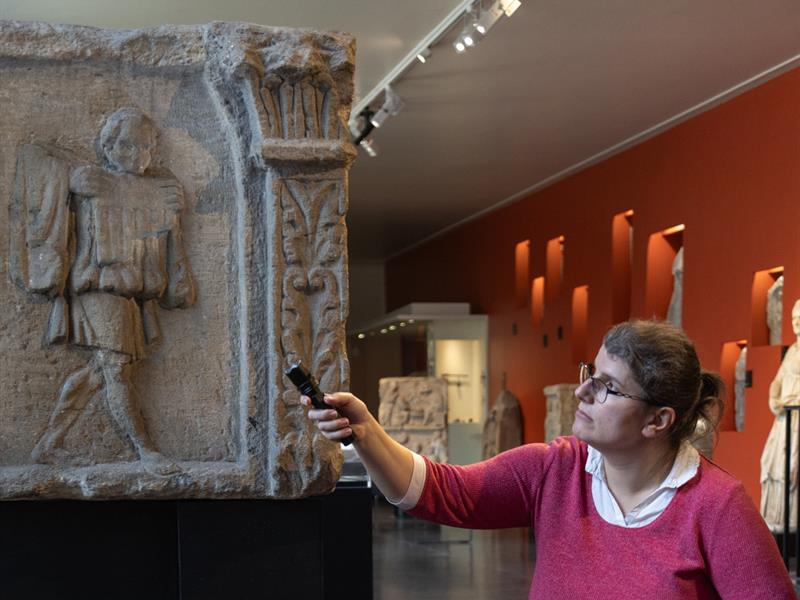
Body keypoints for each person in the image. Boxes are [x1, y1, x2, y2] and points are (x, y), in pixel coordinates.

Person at [303, 320, 795, 599]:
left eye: (606, 387)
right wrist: (366, 432)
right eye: (590, 372)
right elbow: (442, 492)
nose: (582, 390)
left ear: (658, 421)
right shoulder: (555, 469)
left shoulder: (717, 506)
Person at [760, 298, 800, 531]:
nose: (796, 323)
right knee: (773, 463)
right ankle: (780, 521)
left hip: (796, 417)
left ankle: (793, 522)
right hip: (784, 418)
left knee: (793, 468)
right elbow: (777, 381)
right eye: (794, 319)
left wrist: (794, 400)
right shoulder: (793, 351)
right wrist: (774, 399)